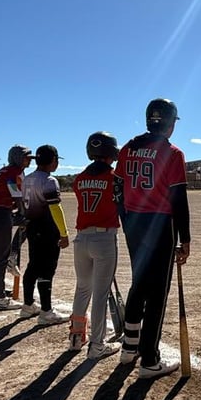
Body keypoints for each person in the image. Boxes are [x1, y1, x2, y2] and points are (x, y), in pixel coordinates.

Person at [116, 98, 191, 379]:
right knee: (157, 293)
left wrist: (127, 222)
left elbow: (118, 191)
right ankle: (149, 359)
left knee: (139, 285)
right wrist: (185, 238)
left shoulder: (128, 149)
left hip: (134, 223)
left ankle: (129, 348)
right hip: (160, 224)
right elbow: (178, 198)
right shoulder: (172, 153)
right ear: (170, 124)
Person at [68, 133, 123, 359]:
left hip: (81, 239)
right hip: (104, 239)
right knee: (100, 295)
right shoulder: (114, 177)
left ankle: (76, 337)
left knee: (82, 289)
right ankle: (96, 345)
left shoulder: (79, 178)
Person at [19, 145, 70, 326]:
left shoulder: (27, 179)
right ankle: (46, 311)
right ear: (53, 160)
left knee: (33, 264)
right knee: (47, 268)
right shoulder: (49, 180)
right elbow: (55, 208)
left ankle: (27, 304)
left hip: (32, 227)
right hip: (47, 228)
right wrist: (64, 233)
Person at [0, 145, 32, 310]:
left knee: (26, 226)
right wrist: (23, 211)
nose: (29, 160)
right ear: (17, 157)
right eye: (26, 157)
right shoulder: (13, 172)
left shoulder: (6, 170)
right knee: (0, 256)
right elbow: (15, 192)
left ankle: (12, 254)